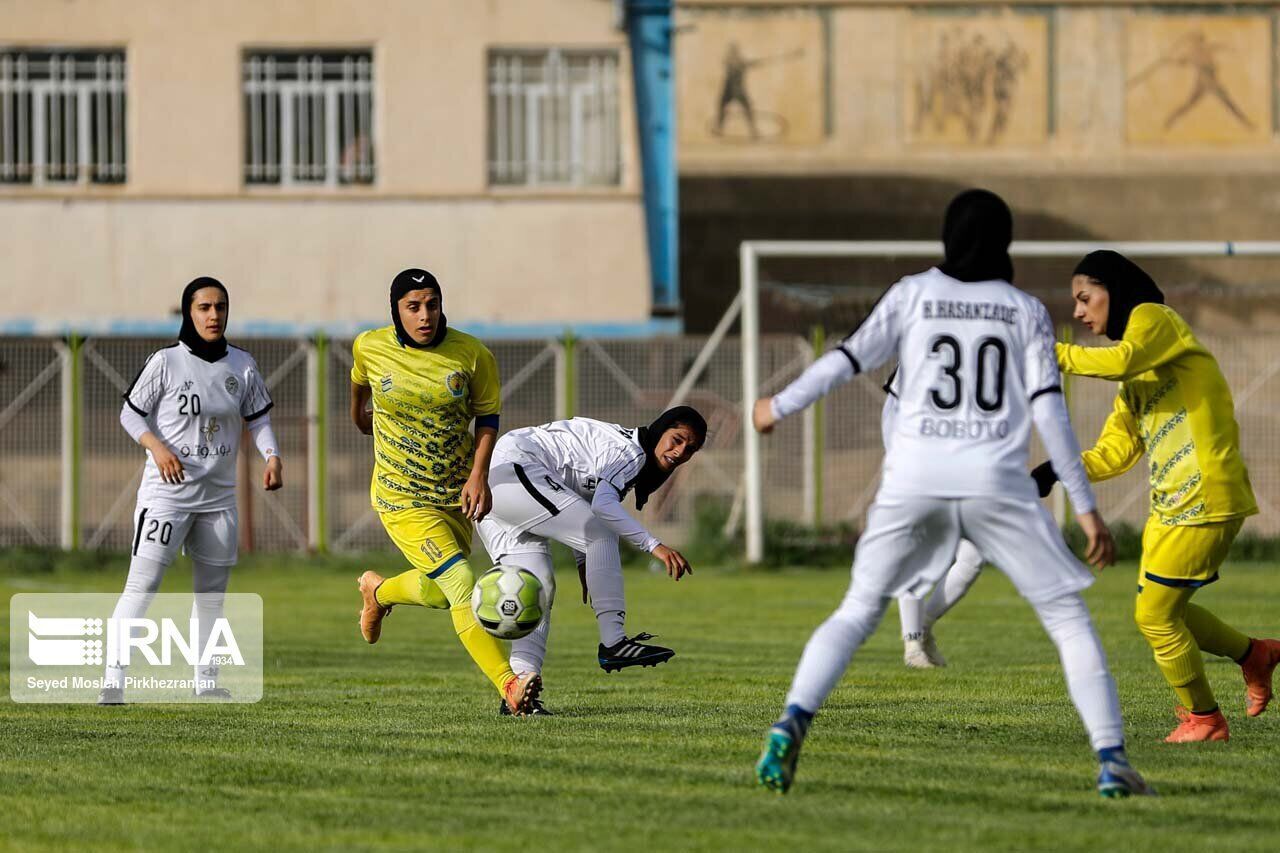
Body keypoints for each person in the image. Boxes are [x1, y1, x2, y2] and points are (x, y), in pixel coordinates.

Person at [751, 189, 1151, 798]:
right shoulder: (1023, 310)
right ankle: (1111, 760)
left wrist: (776, 405)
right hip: (997, 483)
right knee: (1068, 618)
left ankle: (791, 724)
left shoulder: (913, 293)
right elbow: (1051, 412)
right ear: (1006, 242)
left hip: (914, 478)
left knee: (858, 611)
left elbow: (846, 361)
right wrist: (1087, 508)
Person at [1033, 250, 1280, 742]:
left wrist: (1045, 352)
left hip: (1205, 496)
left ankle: (1206, 721)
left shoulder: (1155, 320)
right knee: (1174, 613)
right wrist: (1052, 469)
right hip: (1171, 506)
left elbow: (1121, 358)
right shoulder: (1136, 372)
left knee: (1154, 618)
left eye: (1085, 298)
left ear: (1115, 290)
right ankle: (1256, 654)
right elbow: (1115, 452)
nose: (1079, 312)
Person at [350, 268, 539, 716]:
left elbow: (488, 418)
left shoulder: (472, 354)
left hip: (453, 494)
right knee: (460, 582)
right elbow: (360, 384)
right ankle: (509, 685)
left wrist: (478, 475)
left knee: (439, 593)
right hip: (400, 496)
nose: (424, 315)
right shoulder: (370, 346)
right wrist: (359, 417)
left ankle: (378, 593)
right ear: (396, 311)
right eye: (413, 307)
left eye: (431, 304)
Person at [99, 277, 282, 704]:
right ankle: (113, 680)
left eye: (220, 307)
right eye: (204, 308)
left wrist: (271, 456)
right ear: (189, 312)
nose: (213, 315)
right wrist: (157, 448)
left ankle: (206, 682)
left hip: (218, 499)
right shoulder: (165, 362)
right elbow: (131, 414)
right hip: (167, 497)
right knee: (141, 588)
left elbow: (258, 419)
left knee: (212, 596)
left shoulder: (243, 365)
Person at [476, 407, 706, 714]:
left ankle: (518, 695)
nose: (679, 452)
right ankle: (614, 643)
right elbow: (601, 507)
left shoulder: (627, 454)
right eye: (676, 439)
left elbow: (575, 495)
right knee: (601, 531)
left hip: (505, 483)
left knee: (537, 589)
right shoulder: (629, 452)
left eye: (690, 449)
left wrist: (586, 561)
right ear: (660, 429)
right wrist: (655, 546)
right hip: (513, 468)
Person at [882, 370, 987, 669]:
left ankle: (924, 626)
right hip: (911, 421)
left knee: (974, 554)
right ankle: (912, 644)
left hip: (961, 432)